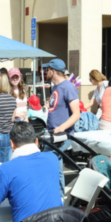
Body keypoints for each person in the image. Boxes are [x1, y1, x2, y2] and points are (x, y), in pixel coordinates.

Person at [42, 58, 80, 201]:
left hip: (62, 135)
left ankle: (57, 199)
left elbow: (77, 114)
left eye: (47, 70)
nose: (45, 72)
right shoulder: (56, 87)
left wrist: (61, 127)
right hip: (52, 135)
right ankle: (58, 198)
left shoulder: (68, 87)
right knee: (54, 167)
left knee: (48, 164)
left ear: (53, 71)